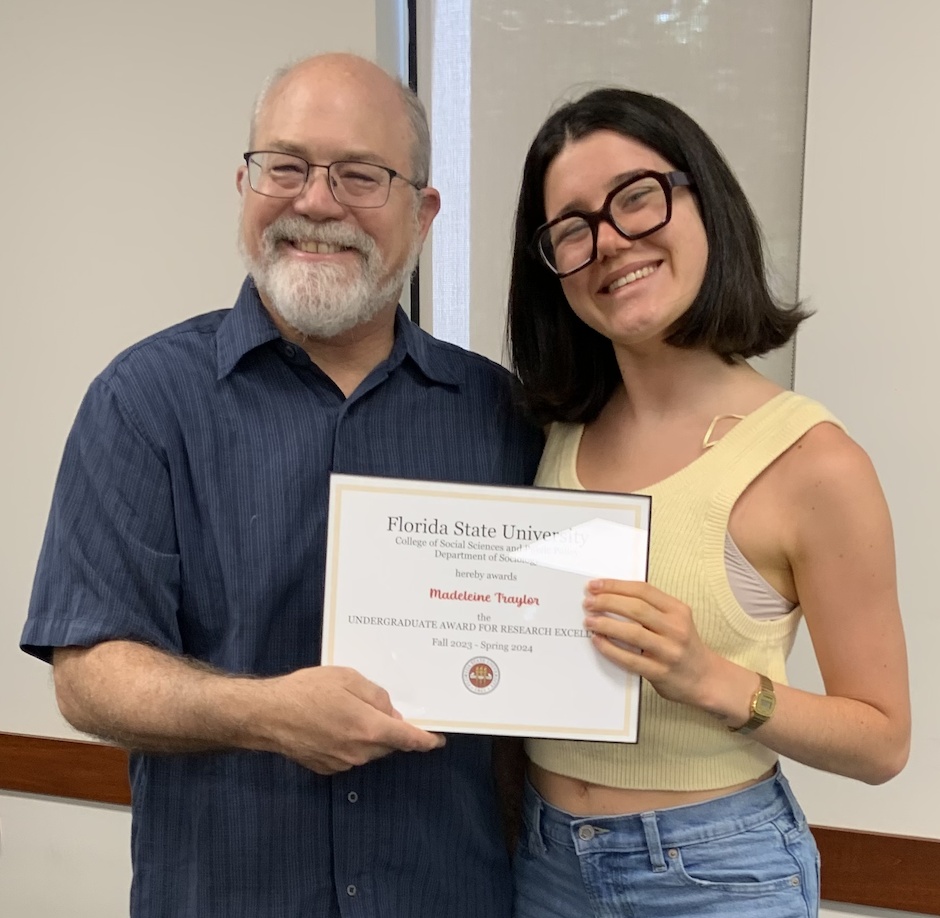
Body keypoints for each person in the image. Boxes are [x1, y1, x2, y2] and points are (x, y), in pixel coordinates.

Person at [20, 54, 542, 918]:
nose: (316, 202)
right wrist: (264, 713)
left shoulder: (502, 416)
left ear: (423, 213)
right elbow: (89, 675)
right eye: (286, 166)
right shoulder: (143, 400)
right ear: (245, 185)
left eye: (360, 175)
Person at [506, 87, 910, 918]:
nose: (609, 242)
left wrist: (712, 679)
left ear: (706, 204)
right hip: (540, 861)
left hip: (715, 875)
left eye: (636, 197)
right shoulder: (545, 437)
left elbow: (882, 742)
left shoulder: (813, 463)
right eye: (572, 229)